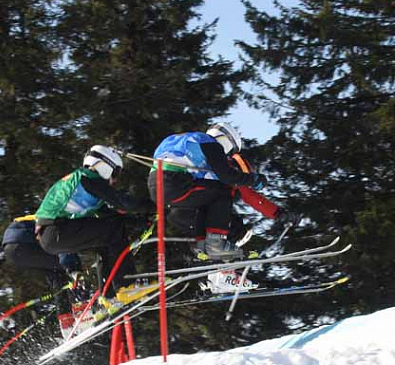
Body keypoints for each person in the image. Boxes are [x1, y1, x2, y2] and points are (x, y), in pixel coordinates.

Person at [35, 145, 154, 299]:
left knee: (105, 241)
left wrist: (141, 221)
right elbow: (121, 202)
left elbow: (110, 215)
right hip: (56, 229)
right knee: (113, 230)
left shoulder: (86, 186)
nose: (115, 180)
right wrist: (155, 205)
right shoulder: (87, 178)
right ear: (104, 165)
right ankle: (126, 284)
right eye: (116, 173)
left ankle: (108, 295)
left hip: (51, 236)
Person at [147, 124, 267, 261]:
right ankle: (216, 245)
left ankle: (201, 245)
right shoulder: (210, 143)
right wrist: (254, 179)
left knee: (205, 200)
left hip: (155, 186)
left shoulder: (180, 139)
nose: (227, 155)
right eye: (230, 151)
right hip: (175, 182)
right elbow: (227, 176)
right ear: (226, 140)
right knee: (223, 191)